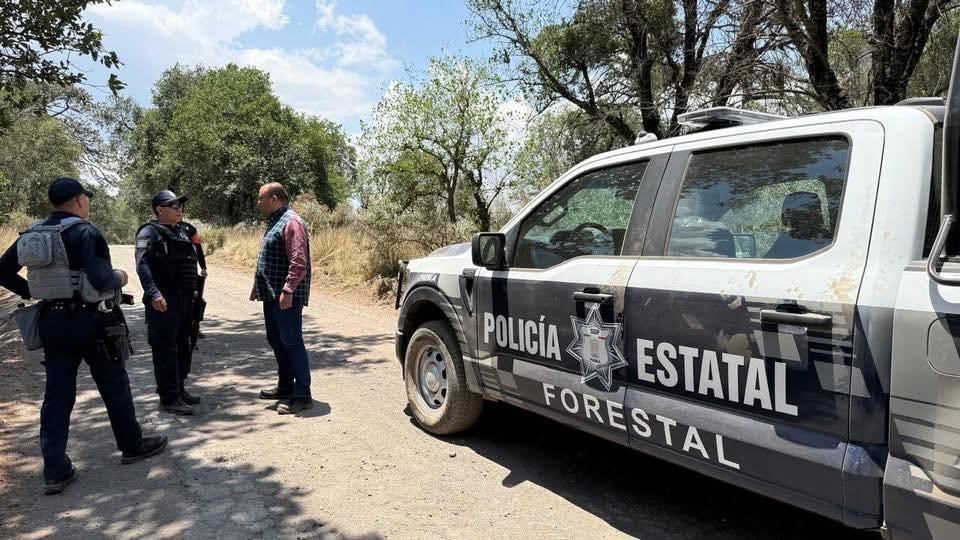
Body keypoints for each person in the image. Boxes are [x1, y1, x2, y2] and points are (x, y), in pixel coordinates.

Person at [0, 177, 168, 495]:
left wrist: (35, 293)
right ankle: (132, 445)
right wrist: (121, 275)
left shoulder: (31, 234)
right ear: (79, 201)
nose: (87, 204)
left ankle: (55, 468)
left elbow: (2, 270)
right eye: (86, 199)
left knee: (57, 395)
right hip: (94, 321)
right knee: (114, 384)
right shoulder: (85, 231)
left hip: (52, 321)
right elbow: (102, 278)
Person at [135, 190, 201, 415]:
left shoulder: (183, 231)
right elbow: (142, 265)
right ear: (159, 210)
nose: (179, 209)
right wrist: (153, 293)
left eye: (181, 206)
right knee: (165, 348)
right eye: (174, 206)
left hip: (184, 299)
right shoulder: (149, 232)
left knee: (184, 344)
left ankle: (179, 389)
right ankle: (168, 397)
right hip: (163, 299)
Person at [251, 182, 313, 414]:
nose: (258, 203)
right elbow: (267, 258)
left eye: (261, 198)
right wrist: (257, 287)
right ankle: (285, 387)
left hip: (285, 296)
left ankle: (302, 394)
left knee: (292, 343)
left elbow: (299, 262)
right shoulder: (275, 220)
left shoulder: (291, 222)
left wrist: (288, 291)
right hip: (271, 295)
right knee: (277, 341)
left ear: (274, 199)